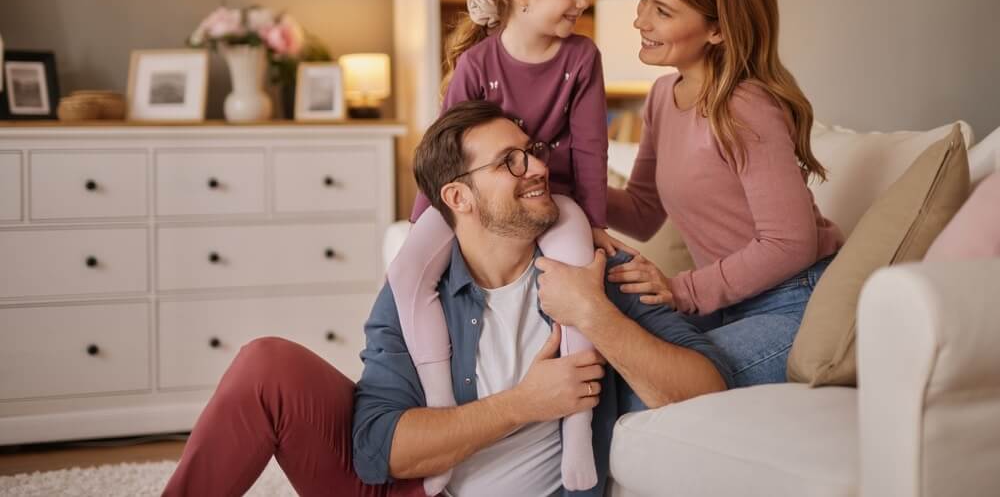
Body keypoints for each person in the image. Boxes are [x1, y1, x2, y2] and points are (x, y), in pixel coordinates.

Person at [162, 100, 731, 497]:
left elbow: (708, 391)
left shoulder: (599, 271)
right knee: (267, 363)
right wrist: (525, 403)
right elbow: (375, 449)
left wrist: (591, 314)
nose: (537, 167)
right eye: (509, 162)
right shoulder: (415, 293)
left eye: (530, 151)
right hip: (418, 493)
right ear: (458, 196)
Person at [388, 0, 620, 492]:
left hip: (554, 201)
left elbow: (591, 150)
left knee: (578, 279)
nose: (581, 1)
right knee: (407, 266)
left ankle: (576, 429)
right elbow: (441, 151)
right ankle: (441, 408)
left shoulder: (582, 59)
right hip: (482, 198)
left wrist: (593, 225)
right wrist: (429, 228)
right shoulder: (477, 64)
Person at [593, 0, 846, 387]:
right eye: (643, 0)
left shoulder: (745, 106)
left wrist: (681, 290)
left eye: (662, 11)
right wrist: (566, 183)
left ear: (718, 29)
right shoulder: (662, 96)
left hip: (796, 305)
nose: (640, 22)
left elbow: (791, 243)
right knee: (605, 369)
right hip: (730, 303)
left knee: (644, 386)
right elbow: (644, 212)